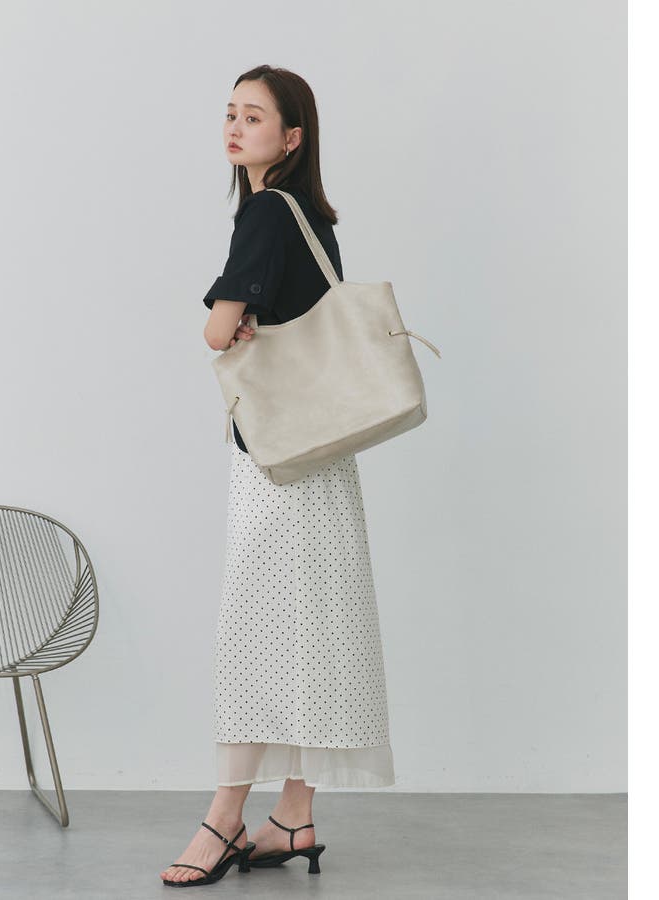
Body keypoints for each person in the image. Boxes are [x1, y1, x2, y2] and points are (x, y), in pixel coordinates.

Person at [160, 65, 395, 888]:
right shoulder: (313, 216)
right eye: (230, 112)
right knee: (311, 634)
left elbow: (218, 330)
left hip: (273, 463)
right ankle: (293, 815)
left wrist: (229, 326)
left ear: (291, 138)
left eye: (254, 117)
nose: (235, 127)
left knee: (254, 636)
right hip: (323, 457)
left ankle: (224, 817)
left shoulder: (266, 211)